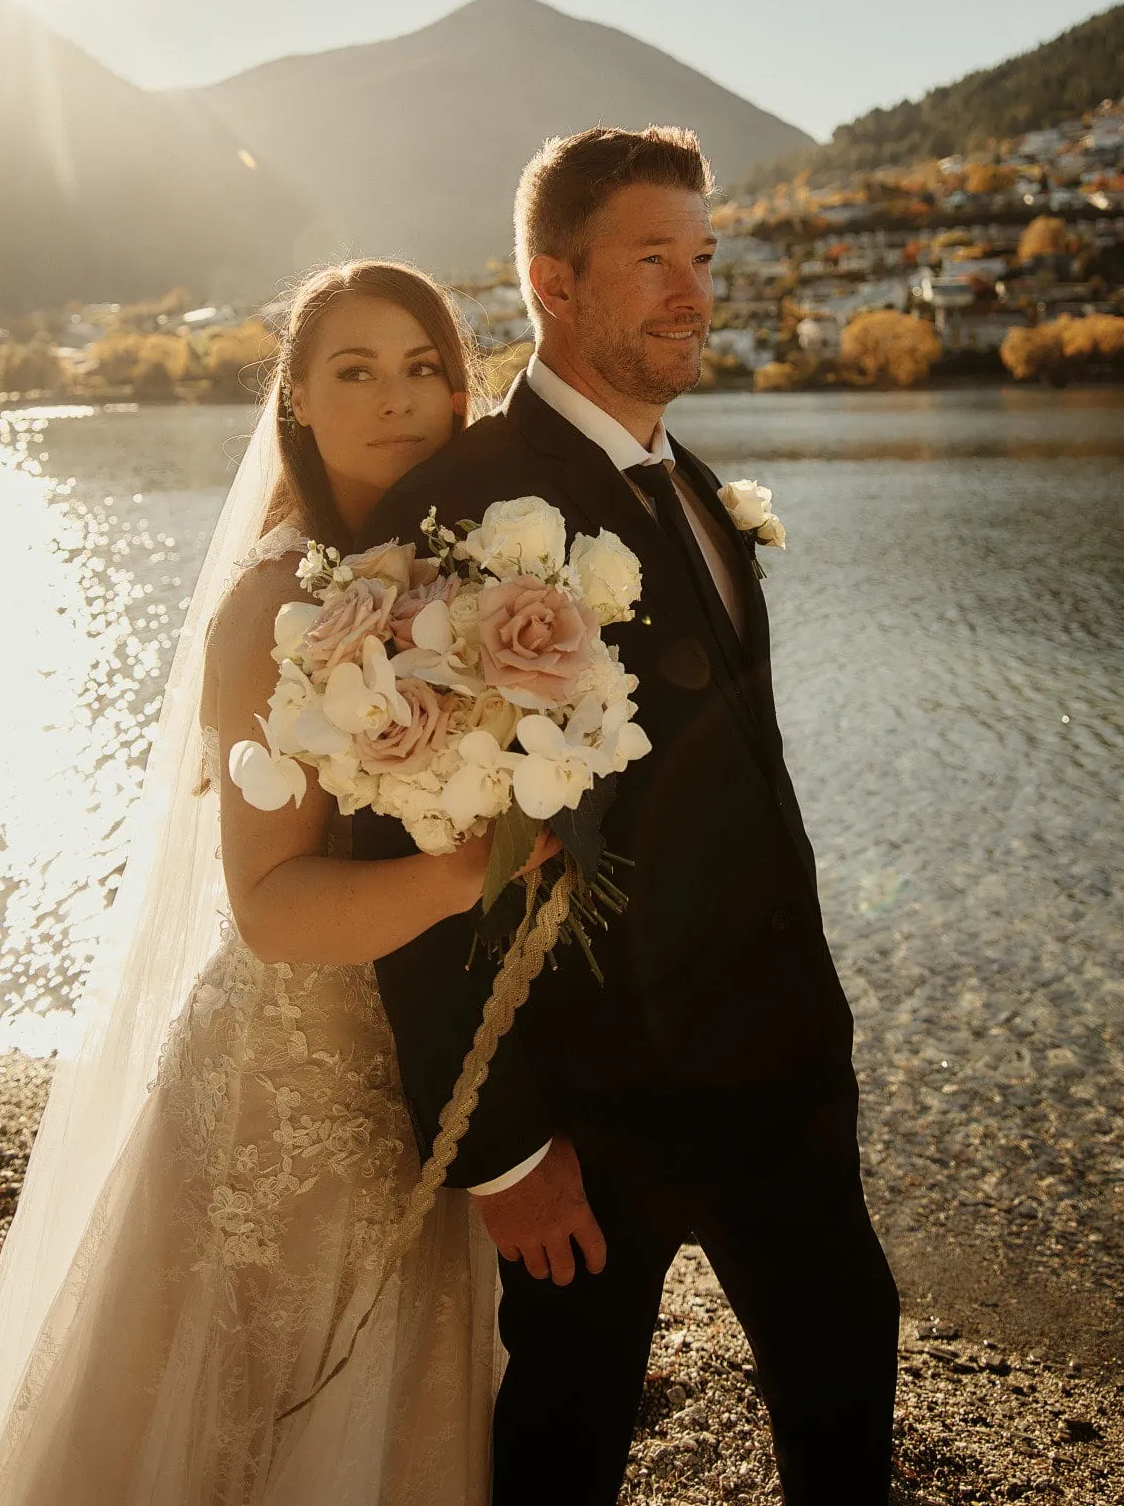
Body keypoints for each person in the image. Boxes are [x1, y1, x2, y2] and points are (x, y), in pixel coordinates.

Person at [0, 260, 549, 1506]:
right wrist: (470, 870)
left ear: (461, 389)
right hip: (293, 1089)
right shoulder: (275, 607)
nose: (398, 398)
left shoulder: (467, 569)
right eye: (355, 370)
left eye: (423, 367)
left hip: (429, 1073)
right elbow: (273, 908)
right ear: (296, 399)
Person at [353, 130, 901, 1506]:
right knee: (569, 1429)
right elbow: (408, 846)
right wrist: (504, 1150)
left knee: (847, 1377)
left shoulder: (707, 493)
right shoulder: (459, 511)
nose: (693, 290)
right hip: (596, 1120)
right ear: (552, 281)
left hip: (786, 1079)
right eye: (652, 259)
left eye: (703, 258)